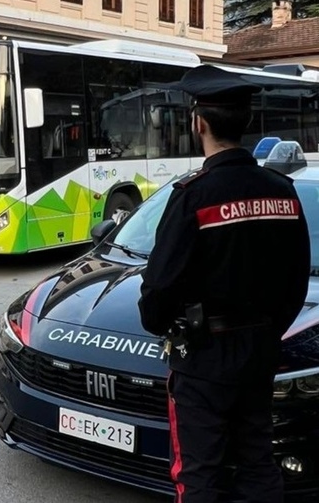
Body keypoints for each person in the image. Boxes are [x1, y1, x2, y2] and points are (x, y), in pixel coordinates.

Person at [138, 64, 310, 503]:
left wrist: (160, 325)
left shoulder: (194, 195)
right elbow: (296, 280)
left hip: (203, 361)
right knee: (257, 463)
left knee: (199, 475)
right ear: (247, 122)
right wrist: (266, 331)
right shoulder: (282, 191)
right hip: (259, 353)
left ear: (199, 122)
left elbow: (159, 287)